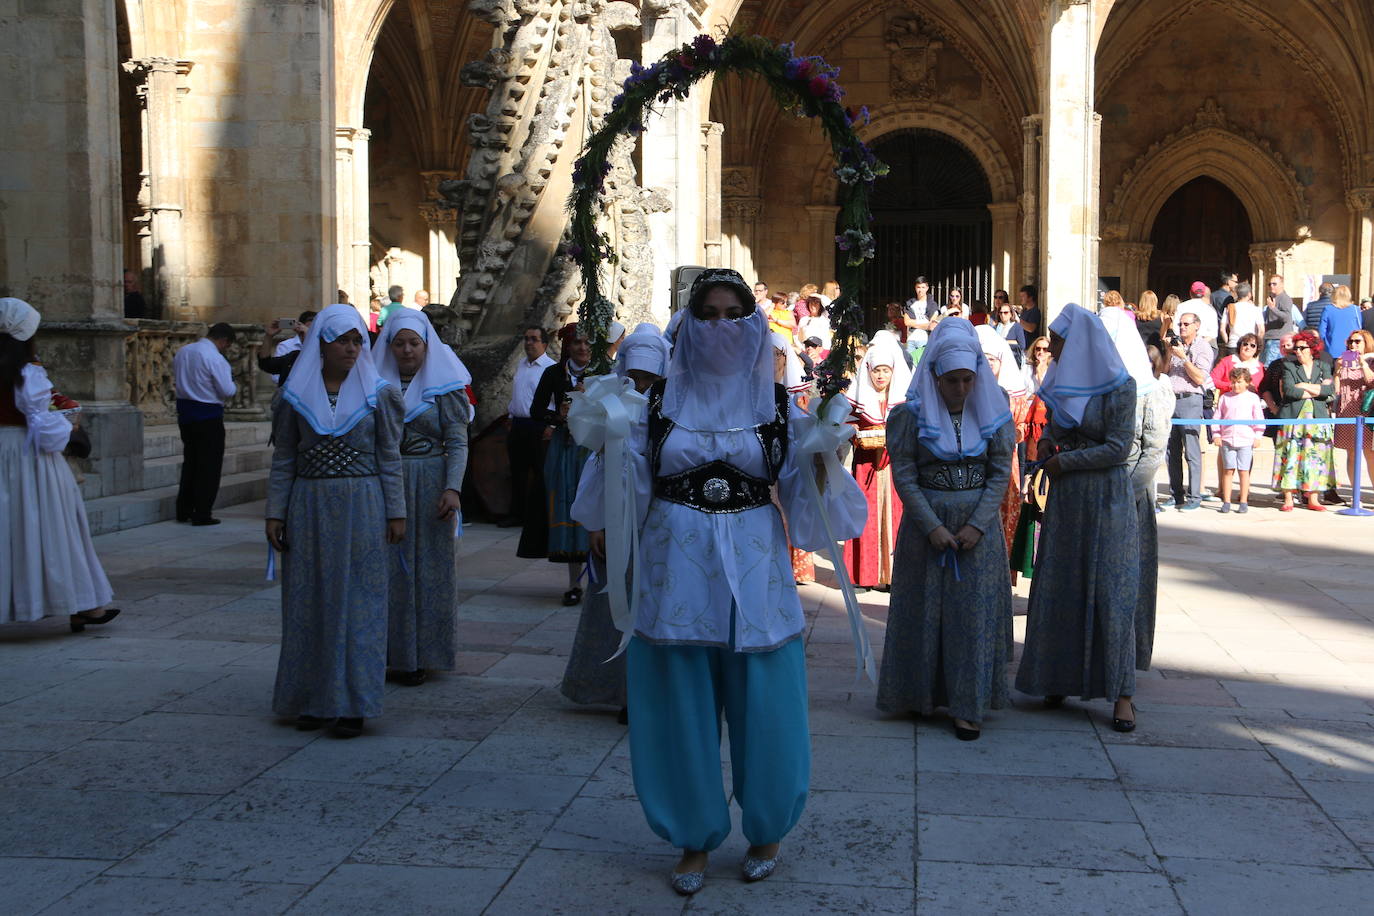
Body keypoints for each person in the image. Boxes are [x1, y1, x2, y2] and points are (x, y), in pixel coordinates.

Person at [573, 268, 864, 895]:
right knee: (680, 703)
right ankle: (691, 834)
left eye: (735, 312)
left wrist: (825, 452)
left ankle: (767, 828)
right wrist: (608, 438)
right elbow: (619, 499)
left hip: (756, 569)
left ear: (754, 322)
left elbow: (812, 511)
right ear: (689, 321)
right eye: (708, 312)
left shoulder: (781, 409)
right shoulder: (652, 407)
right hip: (674, 568)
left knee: (766, 701)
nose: (722, 325)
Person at [266, 304, 406, 738]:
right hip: (308, 505)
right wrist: (275, 510)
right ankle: (311, 696)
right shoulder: (294, 394)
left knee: (358, 599)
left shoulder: (379, 393)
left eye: (356, 341)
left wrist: (396, 509)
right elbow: (285, 456)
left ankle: (352, 702)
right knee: (309, 600)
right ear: (321, 345)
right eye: (341, 340)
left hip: (363, 503)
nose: (350, 348)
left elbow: (388, 455)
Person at [878, 317, 1014, 740]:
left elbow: (998, 474)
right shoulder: (908, 416)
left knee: (972, 617)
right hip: (927, 528)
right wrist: (931, 525)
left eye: (967, 380)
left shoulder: (994, 411)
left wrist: (977, 524)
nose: (960, 389)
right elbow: (904, 473)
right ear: (934, 374)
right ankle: (920, 693)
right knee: (924, 611)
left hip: (978, 529)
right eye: (951, 381)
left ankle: (967, 704)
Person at [1016, 303, 1140, 733]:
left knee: (1111, 588)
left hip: (1106, 499)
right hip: (1068, 499)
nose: (1057, 350)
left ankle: (1122, 694)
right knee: (1061, 584)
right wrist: (1049, 444)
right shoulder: (1064, 380)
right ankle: (1056, 677)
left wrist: (1065, 462)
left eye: (1064, 342)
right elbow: (1054, 429)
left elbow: (1118, 448)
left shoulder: (1121, 387)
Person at [563, 324, 670, 719]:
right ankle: (610, 686)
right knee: (612, 605)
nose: (641, 386)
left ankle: (645, 693)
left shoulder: (670, 413)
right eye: (635, 377)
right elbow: (599, 463)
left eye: (650, 378)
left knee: (652, 608)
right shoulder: (612, 407)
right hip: (617, 523)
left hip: (658, 525)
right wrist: (596, 523)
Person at [1, 298, 120, 633]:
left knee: (8, 529)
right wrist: (71, 425)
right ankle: (82, 605)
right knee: (56, 527)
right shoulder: (27, 372)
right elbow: (42, 425)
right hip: (28, 456)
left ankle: (81, 605)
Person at [371, 311, 471, 687]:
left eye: (414, 343)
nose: (407, 350)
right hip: (387, 481)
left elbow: (458, 442)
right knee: (389, 570)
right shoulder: (375, 385)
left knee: (431, 571)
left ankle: (427, 653)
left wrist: (453, 488)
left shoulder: (445, 386)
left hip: (431, 483)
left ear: (427, 346)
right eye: (400, 343)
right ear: (390, 346)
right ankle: (392, 654)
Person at [524, 324, 592, 604]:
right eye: (577, 343)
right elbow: (536, 410)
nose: (582, 348)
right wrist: (558, 417)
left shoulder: (605, 371)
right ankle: (574, 583)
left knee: (596, 507)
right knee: (568, 507)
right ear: (568, 346)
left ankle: (600, 580)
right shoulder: (554, 374)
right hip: (565, 448)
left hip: (594, 448)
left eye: (587, 343)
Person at [845, 331, 913, 592]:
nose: (881, 375)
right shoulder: (860, 398)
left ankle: (893, 575)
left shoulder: (902, 401)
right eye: (876, 371)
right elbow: (848, 425)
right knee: (867, 515)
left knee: (895, 515)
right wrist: (856, 435)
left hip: (895, 467)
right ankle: (866, 574)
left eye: (885, 370)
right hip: (866, 466)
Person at [172, 322, 237, 526]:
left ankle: (183, 509)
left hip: (186, 413)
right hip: (208, 414)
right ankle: (202, 512)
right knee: (208, 466)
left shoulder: (183, 351)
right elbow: (227, 390)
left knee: (190, 461)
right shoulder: (215, 358)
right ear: (224, 341)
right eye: (227, 345)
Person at [1273, 329, 1337, 512]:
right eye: (1296, 348)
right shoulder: (1289, 366)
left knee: (1315, 457)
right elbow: (1290, 391)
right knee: (1290, 455)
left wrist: (1304, 386)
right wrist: (1315, 389)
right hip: (1294, 418)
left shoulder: (1322, 366)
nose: (1298, 351)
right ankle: (1288, 498)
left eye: (1302, 348)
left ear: (1312, 349)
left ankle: (1314, 498)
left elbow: (1328, 391)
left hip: (1317, 418)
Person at [502, 326, 555, 528]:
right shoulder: (522, 364)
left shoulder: (550, 368)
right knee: (517, 472)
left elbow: (555, 400)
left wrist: (551, 425)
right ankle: (517, 514)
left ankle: (539, 518)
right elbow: (519, 394)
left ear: (544, 344)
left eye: (534, 339)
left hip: (539, 425)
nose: (529, 343)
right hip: (518, 424)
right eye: (526, 339)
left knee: (540, 473)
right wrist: (511, 414)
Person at [1164, 309, 1213, 511]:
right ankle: (1176, 494)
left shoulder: (1203, 348)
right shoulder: (1176, 346)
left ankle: (1194, 496)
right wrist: (1169, 352)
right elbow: (1165, 371)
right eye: (1180, 324)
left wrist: (1183, 357)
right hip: (1171, 399)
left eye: (1186, 324)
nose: (1182, 327)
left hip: (1190, 399)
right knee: (1171, 451)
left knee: (1191, 450)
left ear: (1196, 326)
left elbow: (1200, 378)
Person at [1211, 368, 1266, 513]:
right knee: (1228, 470)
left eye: (1240, 382)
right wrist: (1216, 435)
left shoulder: (1253, 398)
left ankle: (1243, 500)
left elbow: (1259, 419)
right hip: (1227, 440)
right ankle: (1227, 501)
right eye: (1234, 382)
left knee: (1244, 471)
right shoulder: (1225, 398)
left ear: (1247, 382)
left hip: (1246, 440)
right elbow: (1217, 418)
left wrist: (1257, 436)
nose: (1236, 385)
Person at [1333, 329, 1374, 498]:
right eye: (1351, 341)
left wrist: (1363, 363)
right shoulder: (1342, 361)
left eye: (1358, 341)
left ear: (1366, 343)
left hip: (1366, 411)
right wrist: (1337, 370)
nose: (1353, 345)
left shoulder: (1371, 361)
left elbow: (1371, 382)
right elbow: (1337, 389)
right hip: (1346, 411)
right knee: (1351, 453)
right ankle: (1356, 495)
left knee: (1370, 453)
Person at [257, 310, 316, 386]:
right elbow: (266, 364)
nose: (307, 336)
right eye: (304, 333)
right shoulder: (293, 356)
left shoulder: (323, 353)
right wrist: (268, 336)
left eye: (313, 332)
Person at [1319, 284, 1362, 364]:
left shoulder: (1328, 309)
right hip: (1351, 348)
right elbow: (1359, 328)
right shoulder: (1356, 309)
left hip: (1332, 349)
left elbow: (1321, 332)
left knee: (1334, 374)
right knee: (1349, 373)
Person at [1224, 282, 1265, 355]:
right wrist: (1256, 344)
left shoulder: (1229, 308)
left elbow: (1222, 329)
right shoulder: (1256, 309)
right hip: (1249, 345)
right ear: (1249, 294)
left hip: (1233, 343)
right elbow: (1261, 330)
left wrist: (1227, 341)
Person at [1178, 282, 1219, 349]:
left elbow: (1176, 329)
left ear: (1190, 292)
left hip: (1184, 344)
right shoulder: (1210, 310)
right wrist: (1199, 344)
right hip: (1205, 345)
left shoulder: (1181, 307)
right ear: (1203, 294)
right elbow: (1213, 334)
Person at [990, 295, 1027, 360]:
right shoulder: (995, 328)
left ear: (1011, 314)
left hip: (1013, 359)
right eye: (1001, 313)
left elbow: (1022, 345)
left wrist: (1004, 342)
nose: (1003, 315)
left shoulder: (1017, 327)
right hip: (998, 358)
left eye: (1006, 312)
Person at [1211, 270, 1237, 353]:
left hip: (1215, 331)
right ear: (1229, 282)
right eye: (1235, 282)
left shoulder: (1213, 295)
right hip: (1225, 331)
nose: (1236, 284)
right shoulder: (1229, 297)